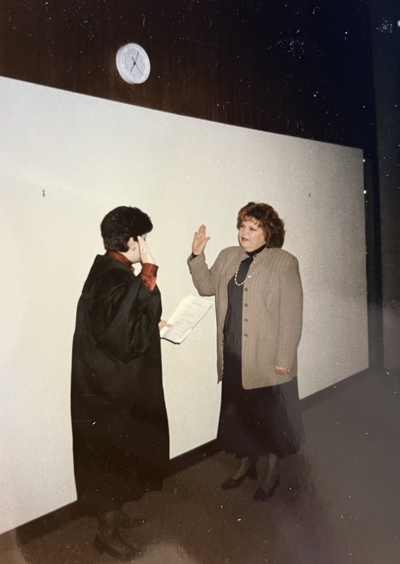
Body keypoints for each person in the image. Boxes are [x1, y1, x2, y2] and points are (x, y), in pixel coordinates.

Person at [71, 206, 169, 559]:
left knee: (121, 453)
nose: (145, 243)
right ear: (132, 240)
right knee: (109, 458)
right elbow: (122, 337)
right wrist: (150, 268)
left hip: (110, 382)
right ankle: (106, 534)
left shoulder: (111, 270)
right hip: (107, 390)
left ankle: (117, 515)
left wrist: (149, 326)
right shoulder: (113, 276)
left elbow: (118, 325)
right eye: (143, 238)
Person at [188, 202, 303, 502]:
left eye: (253, 228)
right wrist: (197, 256)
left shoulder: (284, 262)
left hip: (267, 360)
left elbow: (292, 315)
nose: (244, 233)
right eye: (242, 226)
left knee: (271, 418)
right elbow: (205, 287)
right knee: (239, 416)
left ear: (269, 232)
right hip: (234, 355)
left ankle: (272, 471)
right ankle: (245, 464)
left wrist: (284, 358)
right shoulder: (228, 256)